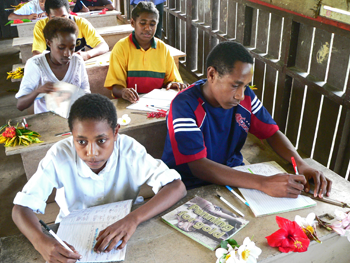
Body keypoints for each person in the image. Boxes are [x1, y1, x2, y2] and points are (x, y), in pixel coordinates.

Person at [12, 93, 187, 262]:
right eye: (81, 142)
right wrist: (41, 242)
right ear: (72, 135)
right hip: (74, 236)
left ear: (116, 132)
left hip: (124, 227)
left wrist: (133, 219)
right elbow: (20, 209)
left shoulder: (129, 150)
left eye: (101, 140)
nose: (92, 153)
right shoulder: (59, 155)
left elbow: (176, 187)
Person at [162, 41, 332, 199]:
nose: (240, 95)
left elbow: (271, 133)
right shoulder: (184, 105)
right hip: (190, 187)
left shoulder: (245, 98)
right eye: (235, 85)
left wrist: (300, 163)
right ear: (212, 74)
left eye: (246, 86)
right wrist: (262, 182)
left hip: (234, 178)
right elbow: (198, 166)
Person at [104, 1, 186, 103]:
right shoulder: (121, 48)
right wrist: (123, 92)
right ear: (133, 23)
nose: (148, 28)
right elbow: (115, 87)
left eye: (152, 24)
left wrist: (174, 84)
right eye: (143, 23)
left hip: (157, 104)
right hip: (130, 105)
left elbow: (172, 81)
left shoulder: (162, 49)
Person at [15, 17, 90, 114]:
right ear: (49, 43)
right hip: (47, 122)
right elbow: (20, 105)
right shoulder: (36, 64)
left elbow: (86, 92)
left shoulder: (78, 61)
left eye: (72, 48)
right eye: (61, 48)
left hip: (74, 117)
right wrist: (38, 91)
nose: (68, 54)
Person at [32, 0, 109, 61]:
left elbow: (103, 46)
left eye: (63, 16)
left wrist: (87, 54)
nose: (60, 22)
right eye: (54, 18)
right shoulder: (41, 26)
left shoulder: (81, 23)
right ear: (47, 15)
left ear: (69, 12)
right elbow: (37, 53)